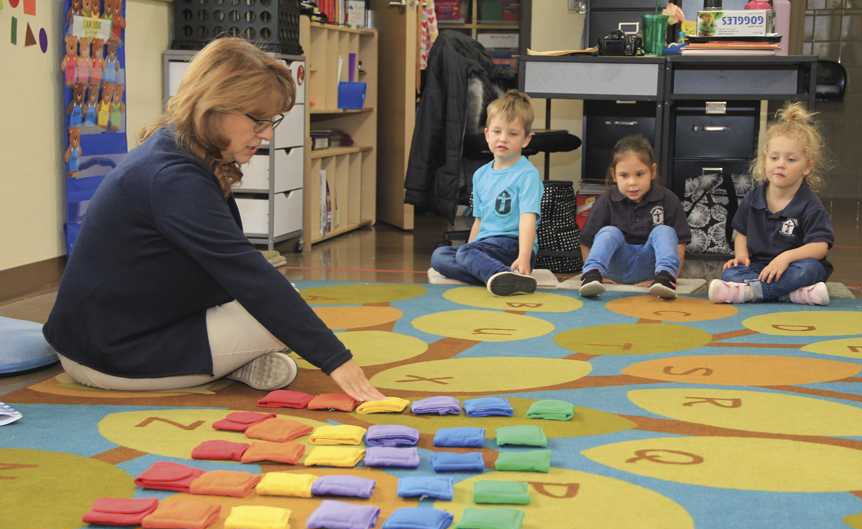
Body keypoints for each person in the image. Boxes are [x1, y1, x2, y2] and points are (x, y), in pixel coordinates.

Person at [43, 38, 384, 401]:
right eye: (257, 120)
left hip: (101, 337)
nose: (267, 134)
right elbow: (249, 275)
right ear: (215, 107)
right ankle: (231, 362)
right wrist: (339, 363)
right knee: (275, 310)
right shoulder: (174, 180)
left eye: (271, 121)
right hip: (109, 357)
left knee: (273, 305)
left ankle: (233, 363)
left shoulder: (175, 147)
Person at [708, 102, 834, 305]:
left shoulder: (810, 204)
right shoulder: (754, 197)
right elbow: (742, 232)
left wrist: (787, 258)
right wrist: (741, 256)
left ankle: (749, 292)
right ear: (765, 159)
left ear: (807, 167)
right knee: (730, 272)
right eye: (774, 157)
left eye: (791, 159)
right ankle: (790, 294)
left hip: (795, 265)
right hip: (759, 266)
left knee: (810, 269)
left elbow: (820, 246)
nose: (780, 164)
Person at [430, 90, 543, 296]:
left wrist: (525, 256)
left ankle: (500, 273)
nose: (503, 139)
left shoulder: (527, 174)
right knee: (439, 256)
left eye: (513, 133)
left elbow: (528, 219)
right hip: (484, 248)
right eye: (497, 131)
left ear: (526, 140)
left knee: (465, 253)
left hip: (512, 246)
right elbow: (479, 221)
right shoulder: (480, 175)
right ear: (487, 134)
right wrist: (470, 250)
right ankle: (501, 277)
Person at [578, 135, 691, 300]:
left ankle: (666, 279)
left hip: (651, 270)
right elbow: (586, 242)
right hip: (616, 268)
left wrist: (675, 275)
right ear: (614, 175)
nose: (632, 182)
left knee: (664, 231)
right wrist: (595, 272)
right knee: (609, 232)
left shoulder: (668, 199)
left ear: (652, 172)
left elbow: (680, 244)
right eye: (624, 175)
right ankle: (591, 275)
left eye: (639, 174)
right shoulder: (606, 200)